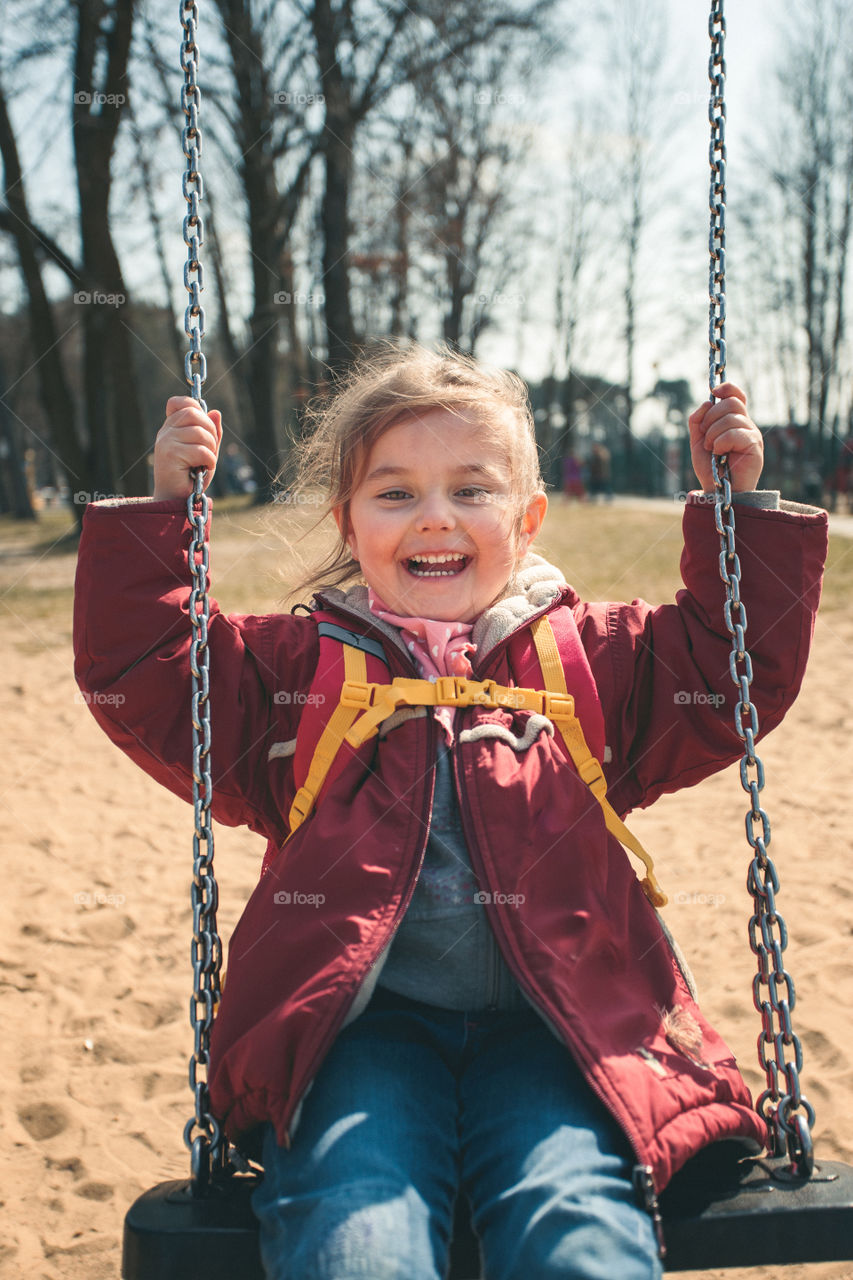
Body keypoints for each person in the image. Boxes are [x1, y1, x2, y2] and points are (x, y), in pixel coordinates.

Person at [74, 343, 828, 1280]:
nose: (435, 517)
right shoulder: (295, 674)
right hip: (357, 1040)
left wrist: (736, 512)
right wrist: (165, 511)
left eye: (472, 490)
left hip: (559, 1034)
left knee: (577, 1224)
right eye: (394, 494)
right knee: (355, 1226)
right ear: (349, 523)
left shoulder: (589, 661)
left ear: (527, 517)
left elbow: (729, 671)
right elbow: (147, 679)